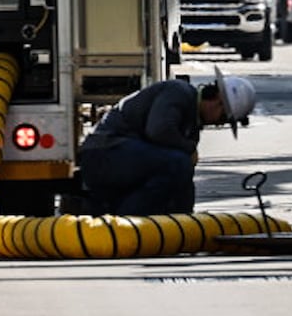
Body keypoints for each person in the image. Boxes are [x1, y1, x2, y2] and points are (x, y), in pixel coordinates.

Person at [78, 67, 256, 216]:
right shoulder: (179, 92)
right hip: (104, 153)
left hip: (122, 158)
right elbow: (159, 130)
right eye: (223, 118)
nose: (218, 124)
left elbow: (184, 182)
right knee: (178, 162)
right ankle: (126, 220)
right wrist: (188, 148)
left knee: (180, 170)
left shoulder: (192, 125)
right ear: (217, 100)